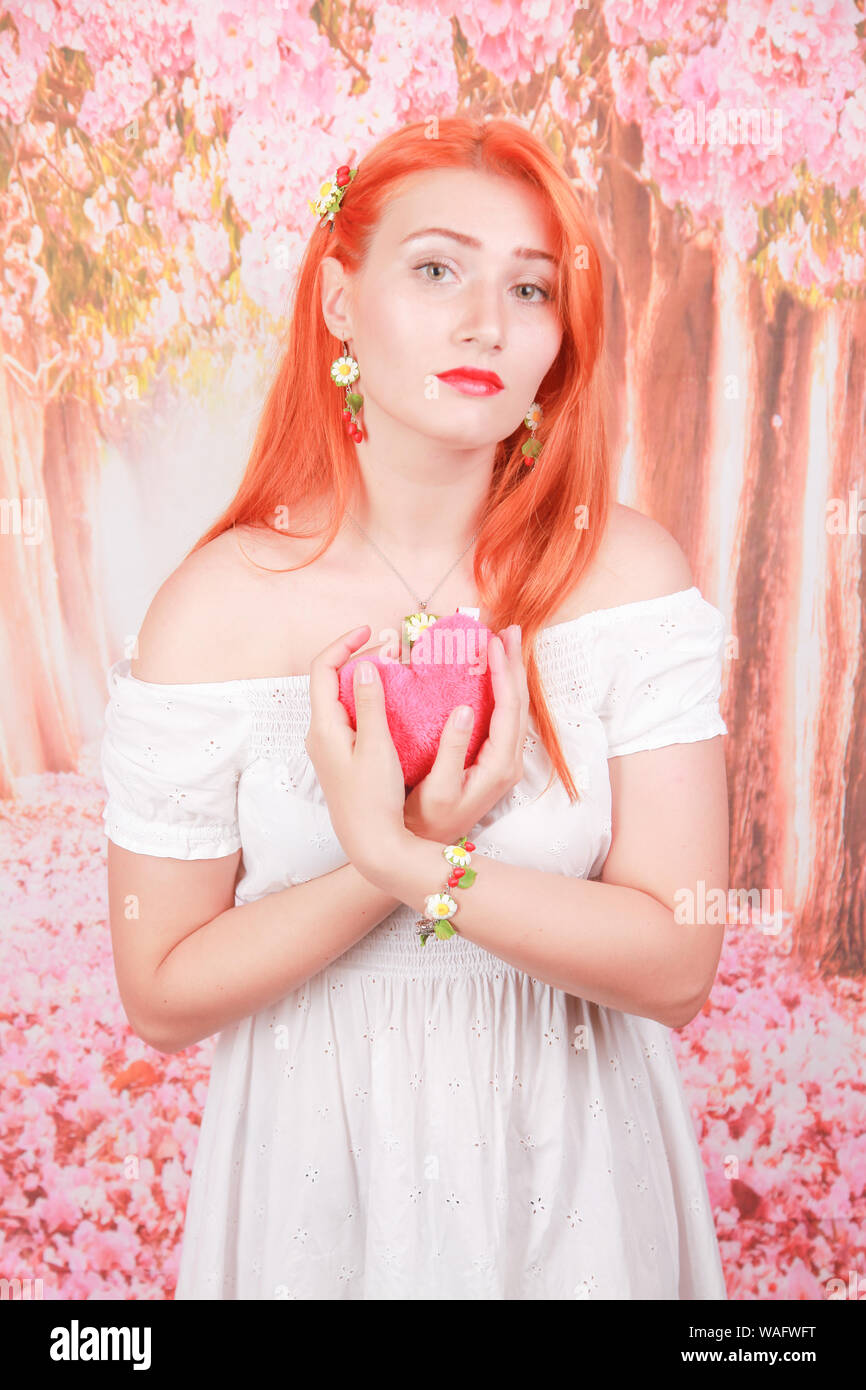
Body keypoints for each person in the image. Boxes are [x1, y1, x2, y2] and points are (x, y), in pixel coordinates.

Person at [101, 116, 730, 1299]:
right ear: (338, 302)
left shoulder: (628, 581)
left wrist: (413, 864)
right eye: (436, 269)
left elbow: (675, 961)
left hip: (575, 1185)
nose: (484, 321)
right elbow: (162, 991)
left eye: (529, 287)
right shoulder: (214, 610)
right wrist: (395, 853)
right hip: (312, 1191)